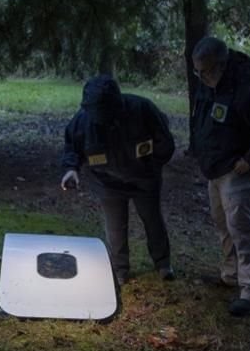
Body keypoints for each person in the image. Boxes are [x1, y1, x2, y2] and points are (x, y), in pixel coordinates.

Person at [188, 36, 250, 317]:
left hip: (237, 169)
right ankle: (231, 275)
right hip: (215, 168)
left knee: (241, 228)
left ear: (221, 64)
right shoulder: (208, 82)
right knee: (223, 224)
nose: (200, 77)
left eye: (205, 71)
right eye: (197, 72)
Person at [61, 74, 176, 285]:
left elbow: (165, 142)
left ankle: (163, 264)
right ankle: (120, 270)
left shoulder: (142, 109)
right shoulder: (82, 120)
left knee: (152, 220)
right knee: (115, 226)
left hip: (144, 180)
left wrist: (150, 166)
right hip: (107, 183)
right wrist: (71, 169)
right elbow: (72, 148)